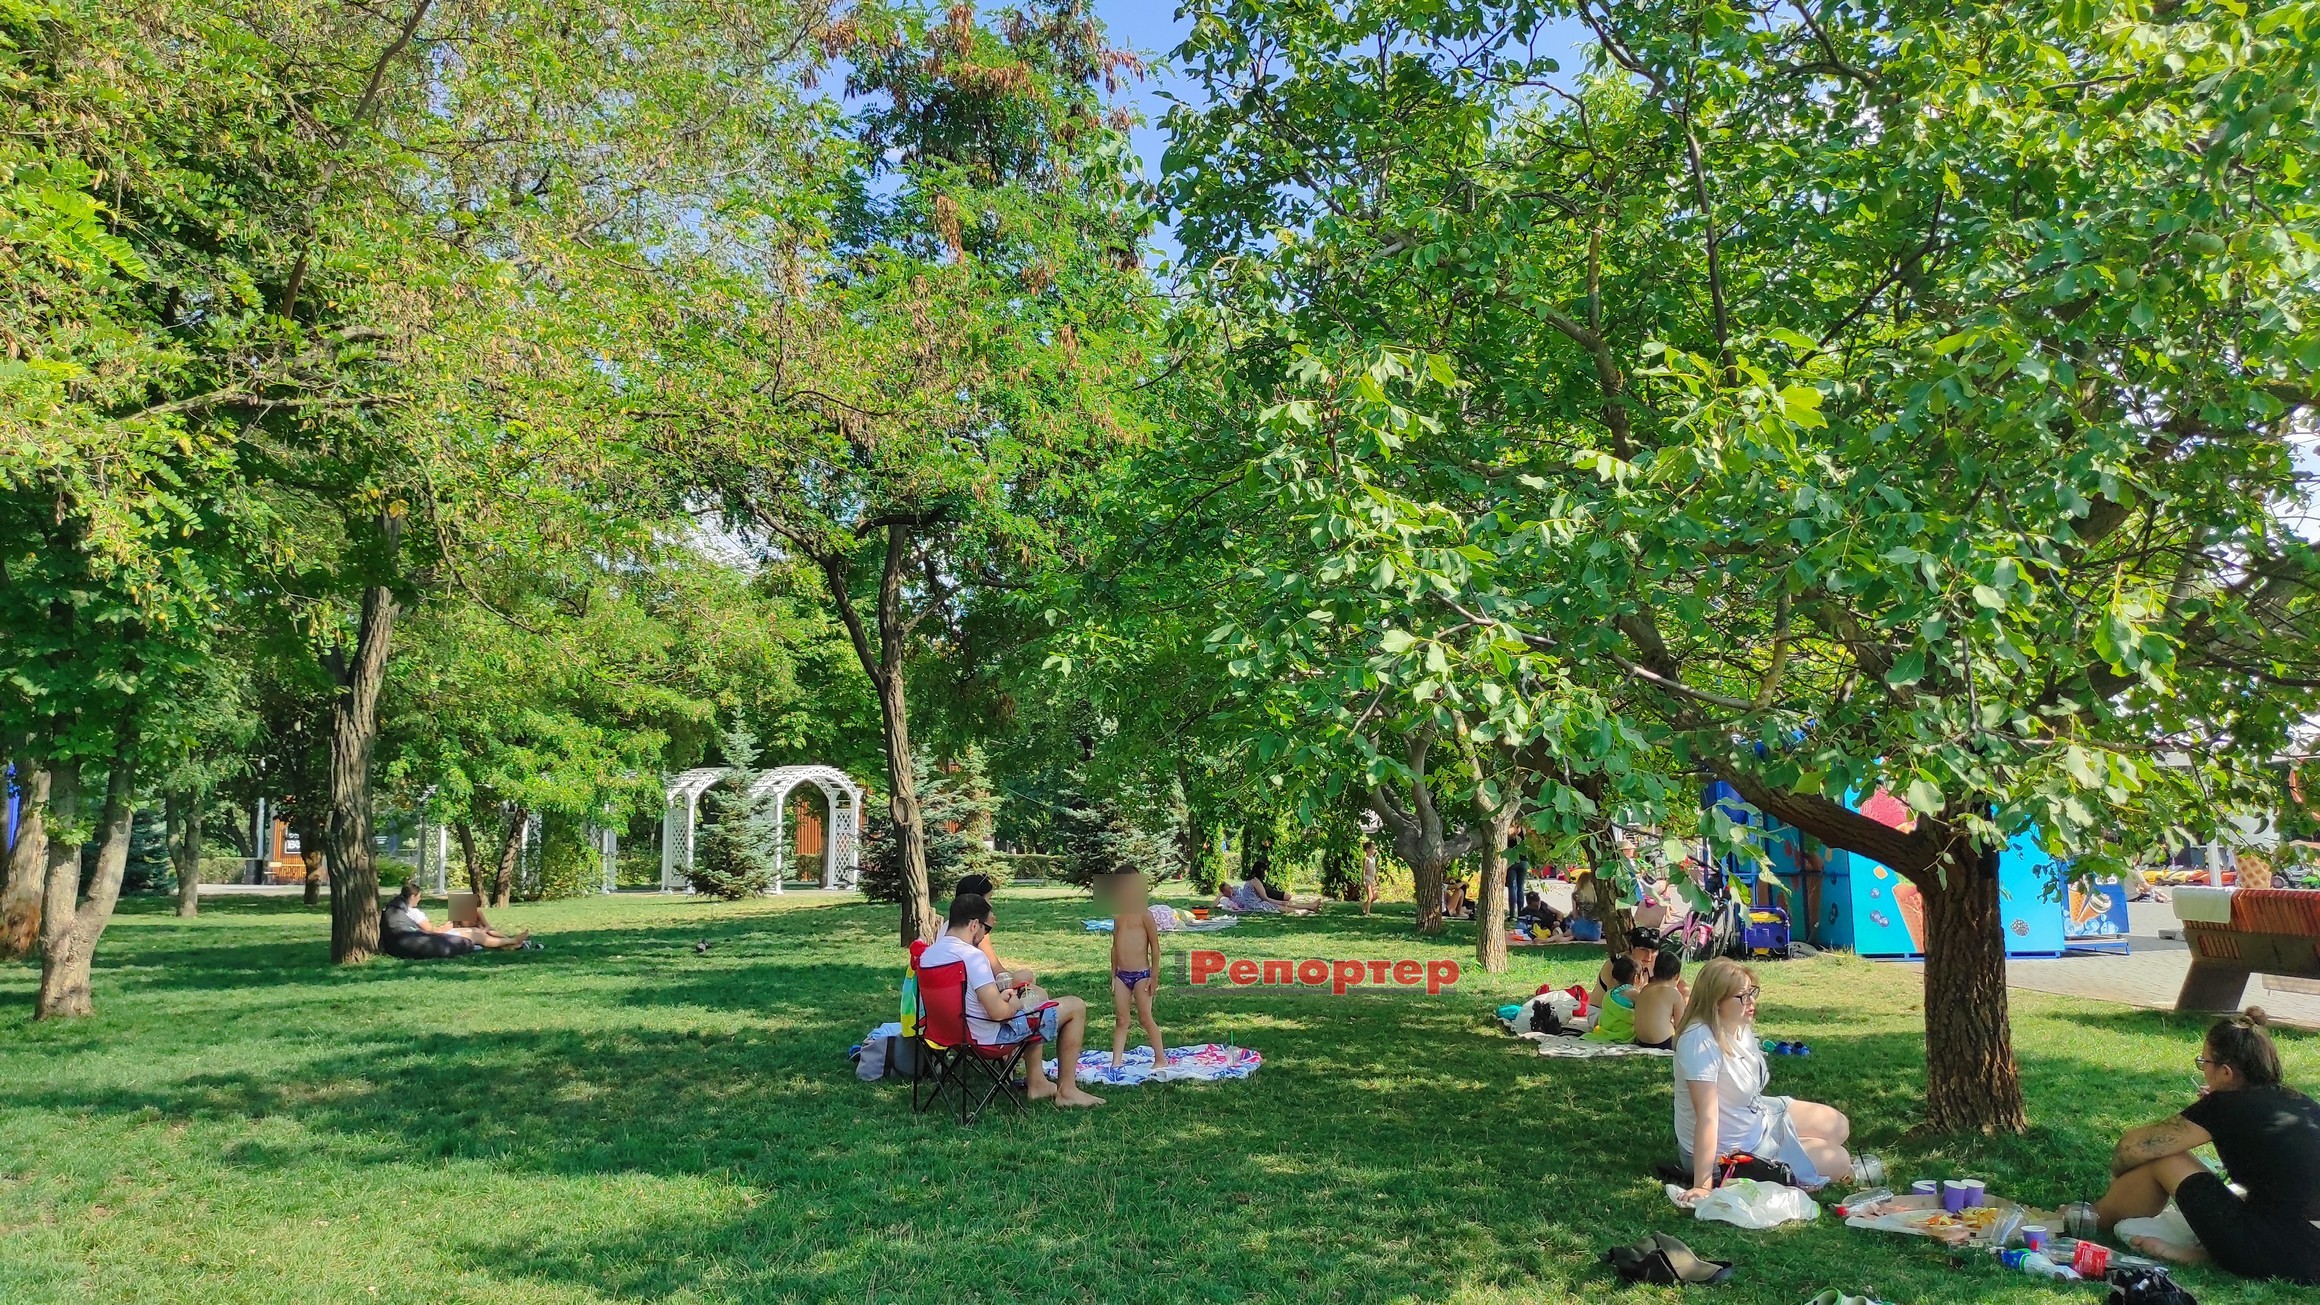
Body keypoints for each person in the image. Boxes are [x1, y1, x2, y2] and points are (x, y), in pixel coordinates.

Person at [2090, 1010, 2320, 1284]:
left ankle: (2096, 1217)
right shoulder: (2299, 1102)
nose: (2203, 1069)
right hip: (2309, 1250)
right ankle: (2202, 1253)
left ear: (2226, 1072)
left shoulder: (2225, 1105)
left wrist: (2119, 1176)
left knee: (2164, 1157)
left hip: (2280, 1251)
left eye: (2204, 1062)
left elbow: (2133, 1147)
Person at [1673, 958, 1867, 1200]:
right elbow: (1707, 1116)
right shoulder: (1699, 1041)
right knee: (1839, 1161)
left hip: (1758, 1116)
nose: (1751, 1002)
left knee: (1838, 1125)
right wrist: (1703, 1184)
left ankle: (1795, 1148)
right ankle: (1787, 1156)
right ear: (1716, 1001)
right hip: (1731, 1149)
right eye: (1742, 996)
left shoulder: (1738, 1025)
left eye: (1752, 992)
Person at [921, 894, 1103, 1108]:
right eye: (986, 929)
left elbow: (964, 1000)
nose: (984, 935)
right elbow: (998, 1013)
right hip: (988, 1039)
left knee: (1034, 1007)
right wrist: (1015, 1003)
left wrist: (1002, 999)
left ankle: (1038, 1084)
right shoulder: (971, 956)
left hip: (951, 1036)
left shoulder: (928, 956)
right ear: (974, 925)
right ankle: (1067, 1091)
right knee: (1074, 1005)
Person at [1101, 874, 1167, 1073]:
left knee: (1145, 1018)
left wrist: (1154, 976)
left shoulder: (1145, 914)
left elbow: (1155, 947)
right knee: (1122, 1020)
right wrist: (1113, 975)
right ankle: (1116, 1061)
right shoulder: (1118, 915)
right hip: (1122, 976)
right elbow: (1115, 947)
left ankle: (1160, 1058)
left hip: (1142, 976)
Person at [381, 880, 528, 956]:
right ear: (413, 896)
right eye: (419, 897)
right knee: (475, 933)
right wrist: (444, 928)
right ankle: (512, 941)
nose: (420, 899)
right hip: (436, 937)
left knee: (476, 930)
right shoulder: (413, 912)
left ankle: (510, 944)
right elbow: (430, 931)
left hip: (429, 936)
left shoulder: (402, 909)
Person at [944, 872, 1034, 991]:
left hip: (952, 990)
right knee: (1029, 979)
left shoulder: (949, 926)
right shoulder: (975, 932)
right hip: (978, 992)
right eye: (988, 899)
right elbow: (998, 973)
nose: (990, 905)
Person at [1631, 950, 1687, 1050]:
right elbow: (1681, 1026)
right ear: (1677, 976)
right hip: (1663, 1043)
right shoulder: (1675, 995)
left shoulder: (1645, 989)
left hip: (1641, 1040)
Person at [1587, 956, 1639, 1044]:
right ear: (1636, 978)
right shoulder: (1634, 994)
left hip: (1607, 1031)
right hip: (1624, 1034)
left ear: (1613, 978)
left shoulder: (1609, 994)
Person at [1600, 928, 1662, 998]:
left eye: (1654, 951)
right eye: (1644, 950)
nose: (1649, 956)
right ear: (1632, 947)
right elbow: (1616, 999)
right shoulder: (1618, 965)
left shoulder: (1658, 965)